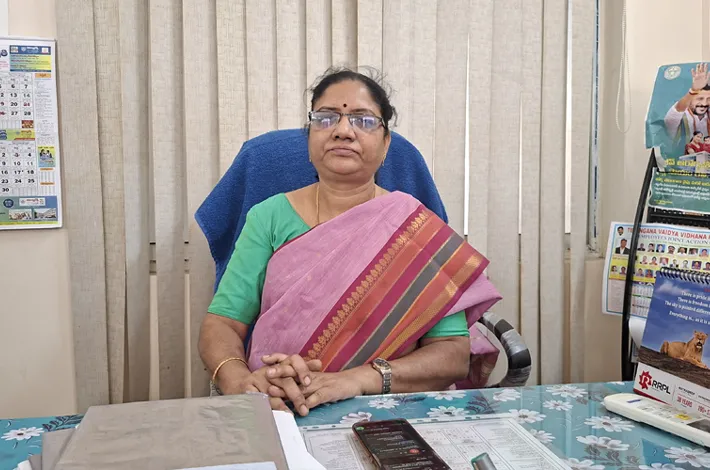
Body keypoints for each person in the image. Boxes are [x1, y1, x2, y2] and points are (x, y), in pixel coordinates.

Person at [198, 68, 501, 415]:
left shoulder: (414, 228)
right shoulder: (268, 217)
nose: (343, 130)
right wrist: (241, 382)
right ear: (309, 138)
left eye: (364, 120)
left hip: (387, 407)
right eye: (325, 118)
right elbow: (222, 323)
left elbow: (452, 353)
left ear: (386, 144)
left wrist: (358, 379)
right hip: (278, 403)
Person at [665, 63, 710, 150]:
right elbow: (675, 113)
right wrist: (693, 91)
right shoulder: (681, 117)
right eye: (700, 98)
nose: (704, 103)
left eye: (708, 99)